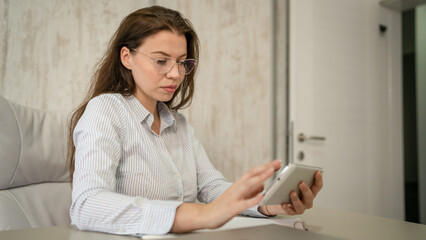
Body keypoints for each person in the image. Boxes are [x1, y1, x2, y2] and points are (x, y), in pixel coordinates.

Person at [68, 5, 323, 236]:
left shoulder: (179, 125)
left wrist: (267, 204)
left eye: (182, 62)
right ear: (127, 57)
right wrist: (199, 214)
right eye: (161, 61)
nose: (175, 74)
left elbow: (211, 187)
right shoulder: (105, 111)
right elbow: (87, 204)